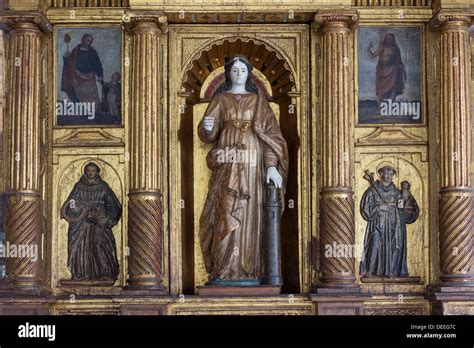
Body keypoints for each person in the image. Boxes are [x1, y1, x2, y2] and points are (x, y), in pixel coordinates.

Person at [198, 55, 289, 285]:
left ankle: (249, 271)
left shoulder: (259, 102)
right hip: (227, 163)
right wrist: (207, 128)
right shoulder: (220, 99)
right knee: (225, 211)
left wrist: (270, 166)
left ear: (249, 74)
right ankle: (223, 270)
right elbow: (208, 133)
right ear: (228, 73)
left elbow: (271, 137)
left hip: (252, 164)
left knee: (249, 215)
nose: (238, 73)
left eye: (243, 69)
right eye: (234, 69)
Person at [60, 162, 121, 281]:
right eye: (88, 170)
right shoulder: (78, 187)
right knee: (80, 247)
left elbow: (114, 206)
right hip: (82, 223)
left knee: (100, 246)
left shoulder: (103, 187)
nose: (90, 173)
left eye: (93, 170)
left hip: (98, 223)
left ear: (97, 172)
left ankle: (105, 273)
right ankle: (80, 273)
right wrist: (77, 209)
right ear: (85, 172)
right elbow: (70, 203)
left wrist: (105, 218)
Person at [360, 164, 419, 278]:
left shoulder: (397, 193)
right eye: (385, 173)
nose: (387, 176)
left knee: (394, 247)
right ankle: (370, 271)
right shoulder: (372, 191)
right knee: (374, 245)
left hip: (394, 226)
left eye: (390, 174)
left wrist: (404, 205)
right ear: (380, 174)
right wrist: (379, 207)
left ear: (393, 176)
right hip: (377, 225)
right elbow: (365, 209)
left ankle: (391, 271)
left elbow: (407, 212)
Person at [61, 34, 103, 114]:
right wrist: (65, 58)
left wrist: (100, 75)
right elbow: (69, 64)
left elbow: (97, 64)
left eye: (90, 41)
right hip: (76, 76)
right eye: (88, 40)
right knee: (77, 93)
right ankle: (82, 111)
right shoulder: (75, 50)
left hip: (89, 77)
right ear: (83, 40)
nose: (89, 43)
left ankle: (93, 112)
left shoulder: (92, 52)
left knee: (91, 96)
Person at [367, 33, 407, 106]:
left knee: (393, 89)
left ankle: (392, 108)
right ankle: (380, 108)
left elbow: (399, 61)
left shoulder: (396, 49)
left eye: (391, 38)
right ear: (385, 39)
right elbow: (372, 56)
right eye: (388, 38)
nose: (389, 40)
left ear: (393, 40)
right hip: (382, 71)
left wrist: (403, 71)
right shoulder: (382, 48)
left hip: (393, 70)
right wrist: (368, 49)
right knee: (381, 90)